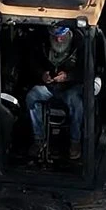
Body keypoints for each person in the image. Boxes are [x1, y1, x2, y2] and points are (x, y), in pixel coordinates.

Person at [24, 24, 84, 163]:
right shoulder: (42, 43)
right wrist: (42, 74)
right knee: (32, 97)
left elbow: (86, 69)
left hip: (70, 88)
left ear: (68, 34)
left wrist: (68, 76)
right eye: (55, 37)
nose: (58, 40)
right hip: (49, 87)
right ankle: (39, 139)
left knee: (77, 102)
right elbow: (32, 62)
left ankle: (75, 141)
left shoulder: (80, 44)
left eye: (62, 36)